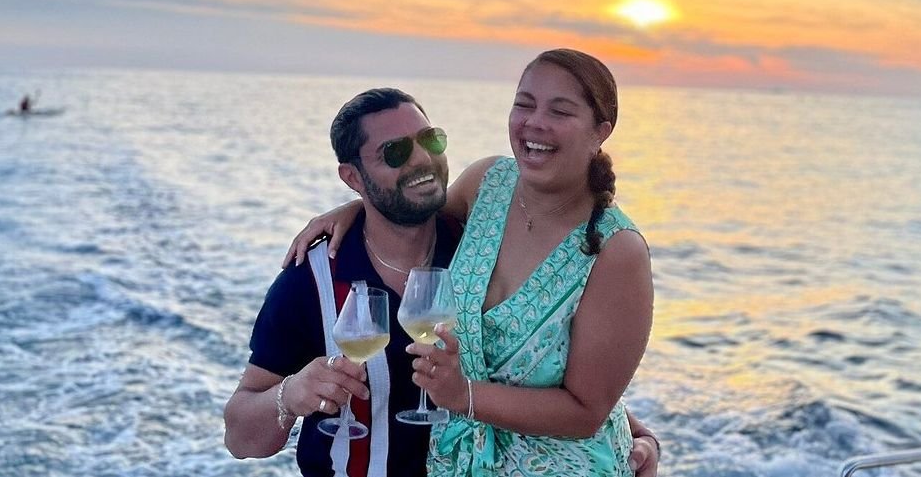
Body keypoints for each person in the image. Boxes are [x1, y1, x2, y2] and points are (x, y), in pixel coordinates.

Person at [226, 86, 660, 476]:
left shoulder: (478, 250)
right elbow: (241, 438)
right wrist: (291, 394)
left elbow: (538, 367)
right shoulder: (314, 277)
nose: (421, 159)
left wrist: (634, 436)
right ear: (353, 177)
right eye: (395, 152)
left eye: (430, 140)